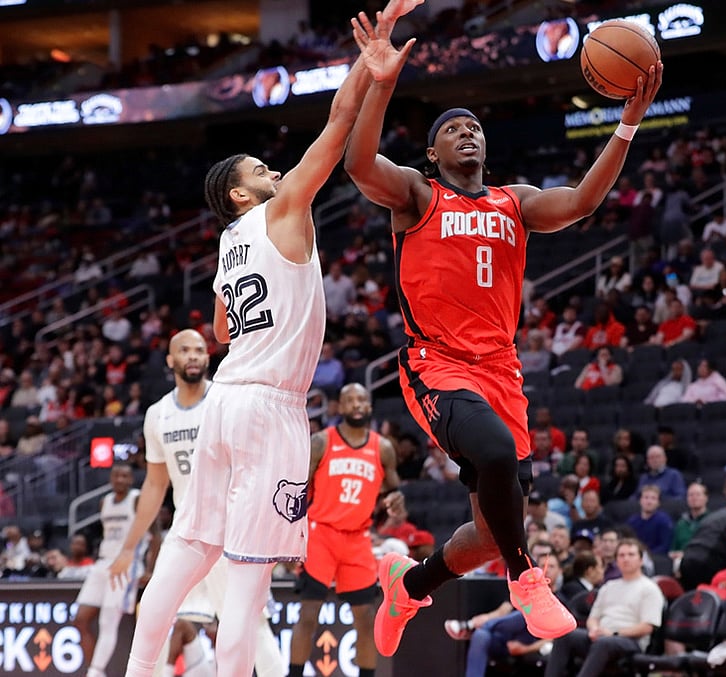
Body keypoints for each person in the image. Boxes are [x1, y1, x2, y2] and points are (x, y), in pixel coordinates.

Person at [344, 6, 662, 657]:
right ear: (433, 152)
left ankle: (409, 584)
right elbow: (358, 165)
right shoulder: (418, 195)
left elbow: (580, 202)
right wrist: (379, 83)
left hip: (501, 369)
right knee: (493, 457)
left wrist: (628, 122)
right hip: (436, 362)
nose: (467, 134)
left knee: (488, 530)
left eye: (475, 128)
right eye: (453, 130)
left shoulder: (513, 201)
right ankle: (526, 577)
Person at [122, 4, 424, 674]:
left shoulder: (227, 246)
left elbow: (226, 329)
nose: (275, 171)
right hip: (270, 411)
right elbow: (339, 125)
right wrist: (371, 68)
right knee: (247, 594)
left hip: (224, 403)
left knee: (184, 553)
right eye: (260, 168)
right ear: (238, 194)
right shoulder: (284, 210)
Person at [108, 330, 283, 677]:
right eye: (184, 350)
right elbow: (155, 485)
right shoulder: (157, 414)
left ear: (207, 358)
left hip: (231, 533)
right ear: (171, 361)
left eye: (199, 350)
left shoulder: (228, 401)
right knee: (152, 615)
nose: (193, 356)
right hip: (187, 531)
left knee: (250, 626)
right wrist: (129, 548)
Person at [288, 384, 401, 677]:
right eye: (350, 400)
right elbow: (298, 488)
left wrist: (394, 501)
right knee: (308, 614)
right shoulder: (322, 442)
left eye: (361, 399)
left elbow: (394, 491)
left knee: (365, 619)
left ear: (370, 405)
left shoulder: (383, 448)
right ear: (340, 406)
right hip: (321, 534)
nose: (356, 405)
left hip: (357, 539)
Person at [75, 463, 157, 677]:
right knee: (81, 618)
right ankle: (95, 669)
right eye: (116, 476)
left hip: (126, 564)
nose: (120, 480)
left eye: (125, 476)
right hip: (103, 563)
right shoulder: (105, 502)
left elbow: (155, 537)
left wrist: (150, 570)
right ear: (111, 478)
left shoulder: (138, 499)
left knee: (107, 621)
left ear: (131, 479)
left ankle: (95, 671)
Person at [543, 538, 664, 677]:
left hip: (630, 641)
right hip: (601, 636)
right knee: (565, 635)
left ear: (641, 560)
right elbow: (593, 618)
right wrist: (594, 630)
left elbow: (647, 627)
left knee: (604, 643)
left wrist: (613, 633)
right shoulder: (608, 586)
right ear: (616, 560)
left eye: (631, 555)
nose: (626, 559)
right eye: (622, 555)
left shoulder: (650, 589)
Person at [626, 485, 675, 555]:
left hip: (656, 558)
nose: (649, 501)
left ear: (658, 503)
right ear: (640, 500)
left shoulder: (664, 521)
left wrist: (646, 556)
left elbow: (665, 546)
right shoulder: (632, 521)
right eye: (646, 497)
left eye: (653, 498)